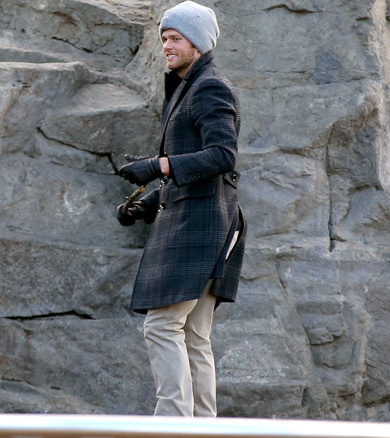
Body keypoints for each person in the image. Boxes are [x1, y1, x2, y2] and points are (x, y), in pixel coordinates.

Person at [115, 1, 245, 417]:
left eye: (176, 39)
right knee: (193, 334)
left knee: (162, 325)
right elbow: (200, 166)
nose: (167, 46)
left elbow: (223, 155)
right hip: (206, 216)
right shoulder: (187, 84)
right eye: (165, 38)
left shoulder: (210, 86)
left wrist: (157, 166)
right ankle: (204, 426)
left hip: (204, 222)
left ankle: (172, 422)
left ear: (199, 43)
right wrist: (149, 203)